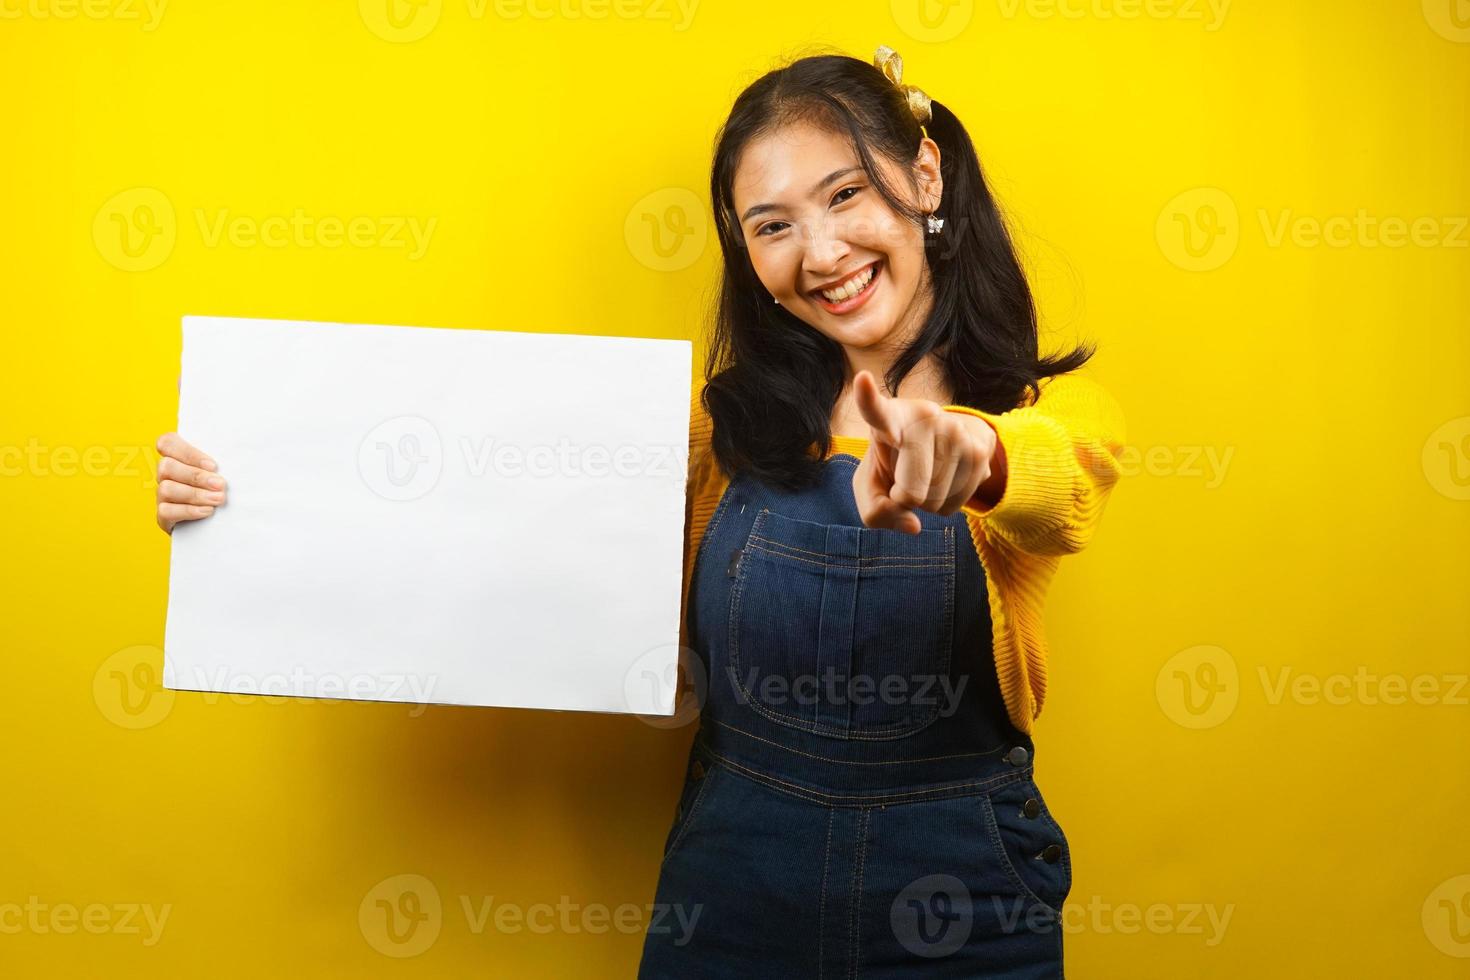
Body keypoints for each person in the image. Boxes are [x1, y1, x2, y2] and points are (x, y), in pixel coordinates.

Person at [153, 43, 1125, 978]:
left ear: (923, 175)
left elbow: (1063, 490)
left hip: (965, 903)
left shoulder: (1046, 419)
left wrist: (978, 454)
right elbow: (477, 526)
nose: (820, 251)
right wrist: (245, 501)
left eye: (845, 194)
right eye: (771, 223)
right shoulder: (717, 432)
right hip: (736, 890)